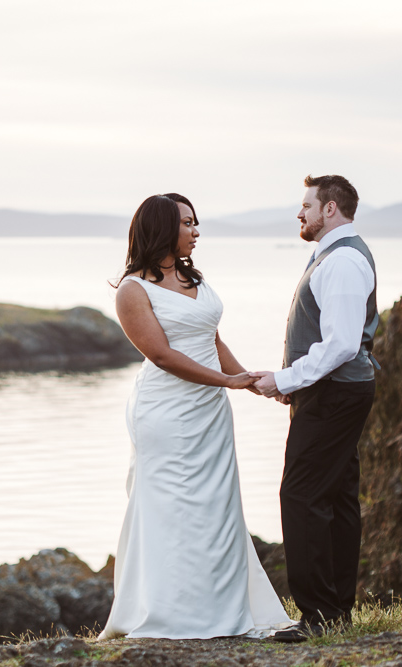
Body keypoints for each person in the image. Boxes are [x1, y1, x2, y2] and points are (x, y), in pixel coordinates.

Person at [98, 193, 292, 640]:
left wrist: (247, 378)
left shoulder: (192, 277)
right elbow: (162, 356)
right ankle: (169, 613)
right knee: (170, 508)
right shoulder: (133, 290)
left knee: (218, 506)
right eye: (188, 223)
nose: (196, 231)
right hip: (166, 414)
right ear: (163, 228)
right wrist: (226, 383)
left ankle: (228, 609)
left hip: (209, 412)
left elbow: (212, 338)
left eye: (195, 222)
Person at [250, 175, 379, 642]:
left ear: (330, 209)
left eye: (306, 205)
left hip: (334, 395)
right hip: (332, 392)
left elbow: (342, 344)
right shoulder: (336, 255)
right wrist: (294, 385)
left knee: (300, 496)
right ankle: (335, 611)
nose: (299, 213)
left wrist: (285, 379)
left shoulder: (342, 260)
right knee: (337, 495)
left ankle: (319, 615)